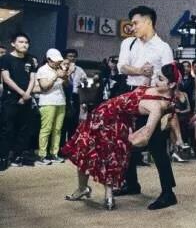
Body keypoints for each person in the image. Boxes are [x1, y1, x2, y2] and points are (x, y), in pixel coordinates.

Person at [61, 63, 180, 210]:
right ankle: (114, 188)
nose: (156, 80)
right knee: (89, 148)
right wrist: (145, 73)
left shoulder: (158, 106)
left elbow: (145, 136)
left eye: (160, 79)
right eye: (157, 77)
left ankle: (105, 194)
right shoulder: (156, 88)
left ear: (171, 84)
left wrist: (130, 139)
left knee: (97, 151)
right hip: (105, 115)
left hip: (112, 121)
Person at [115, 5, 177, 210]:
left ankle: (168, 192)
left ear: (148, 22)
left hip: (151, 99)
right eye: (131, 23)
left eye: (136, 23)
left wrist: (161, 82)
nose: (132, 27)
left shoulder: (163, 48)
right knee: (126, 139)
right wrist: (140, 71)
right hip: (128, 93)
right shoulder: (128, 43)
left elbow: (169, 78)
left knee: (157, 145)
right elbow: (122, 67)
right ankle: (131, 183)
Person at [0, 33, 37, 170]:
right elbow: (7, 79)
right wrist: (22, 93)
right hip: (11, 98)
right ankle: (3, 157)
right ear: (13, 43)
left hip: (27, 98)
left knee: (24, 129)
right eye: (21, 42)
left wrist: (27, 94)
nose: (24, 45)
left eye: (26, 42)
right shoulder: (5, 59)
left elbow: (32, 79)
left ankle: (18, 155)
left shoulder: (31, 59)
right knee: (7, 129)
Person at [35, 48, 68, 164]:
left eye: (59, 60)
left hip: (61, 101)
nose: (58, 62)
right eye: (55, 60)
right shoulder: (42, 69)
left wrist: (65, 75)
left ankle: (54, 153)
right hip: (47, 101)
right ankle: (42, 155)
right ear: (49, 59)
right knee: (46, 129)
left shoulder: (60, 69)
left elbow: (66, 84)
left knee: (57, 129)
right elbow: (44, 86)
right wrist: (56, 76)